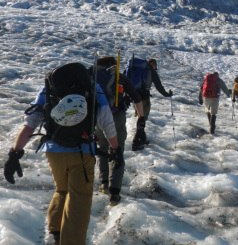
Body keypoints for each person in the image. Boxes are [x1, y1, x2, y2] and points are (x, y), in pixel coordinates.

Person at [3, 62, 120, 245]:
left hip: (53, 151)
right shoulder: (92, 87)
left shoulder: (49, 88)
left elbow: (31, 122)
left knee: (62, 189)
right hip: (82, 152)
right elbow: (107, 122)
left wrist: (15, 154)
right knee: (79, 197)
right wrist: (116, 149)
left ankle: (57, 233)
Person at [89, 56, 145, 206]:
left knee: (102, 148)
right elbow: (136, 98)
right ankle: (115, 193)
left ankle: (104, 183)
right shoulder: (119, 77)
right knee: (117, 150)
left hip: (97, 117)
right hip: (116, 116)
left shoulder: (91, 75)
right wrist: (141, 117)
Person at [132, 58, 172, 150]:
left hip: (133, 96)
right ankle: (136, 142)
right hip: (144, 97)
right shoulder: (150, 71)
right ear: (154, 65)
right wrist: (167, 94)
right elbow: (159, 86)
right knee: (142, 118)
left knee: (140, 117)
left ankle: (142, 138)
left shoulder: (134, 69)